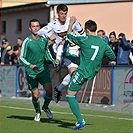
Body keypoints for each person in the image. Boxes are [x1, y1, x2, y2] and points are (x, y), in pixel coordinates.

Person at [66, 19, 116, 130]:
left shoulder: (85, 39)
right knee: (72, 85)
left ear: (87, 30)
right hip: (93, 73)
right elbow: (112, 56)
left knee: (69, 95)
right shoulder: (103, 42)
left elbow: (69, 35)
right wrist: (98, 59)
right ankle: (80, 120)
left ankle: (80, 121)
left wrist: (70, 25)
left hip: (82, 71)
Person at [38, 4, 85, 103]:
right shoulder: (53, 24)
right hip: (59, 50)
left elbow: (82, 33)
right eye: (61, 14)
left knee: (74, 74)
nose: (63, 16)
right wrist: (49, 35)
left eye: (65, 14)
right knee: (62, 43)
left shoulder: (71, 21)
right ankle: (57, 62)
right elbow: (40, 32)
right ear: (57, 14)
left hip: (71, 51)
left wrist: (84, 43)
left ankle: (58, 89)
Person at [19, 19, 55, 122]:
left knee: (49, 91)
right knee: (35, 95)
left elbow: (47, 53)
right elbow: (21, 58)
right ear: (30, 28)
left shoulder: (43, 40)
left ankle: (45, 107)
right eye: (33, 26)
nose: (36, 28)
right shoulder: (27, 41)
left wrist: (53, 61)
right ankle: (38, 112)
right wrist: (29, 65)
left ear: (40, 27)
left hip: (43, 70)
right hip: (31, 72)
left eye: (37, 26)